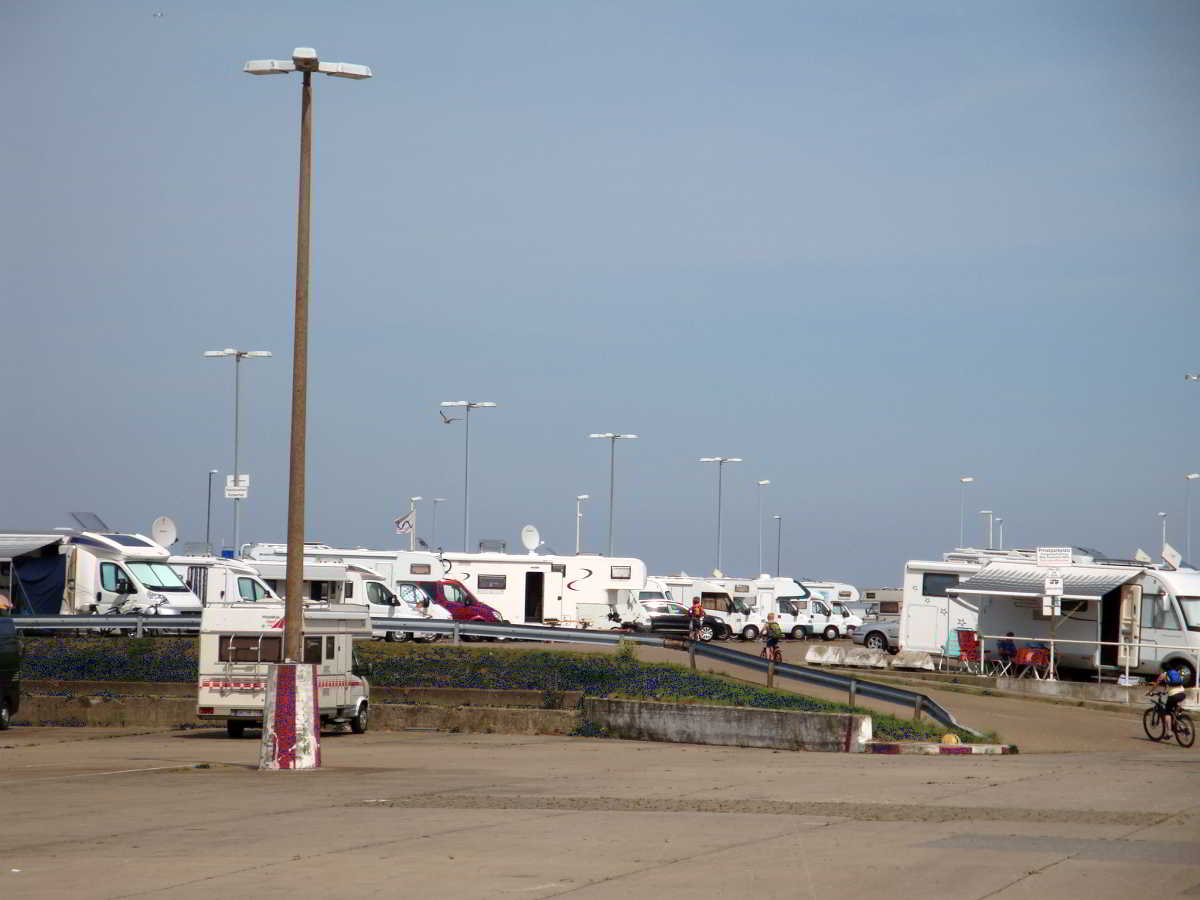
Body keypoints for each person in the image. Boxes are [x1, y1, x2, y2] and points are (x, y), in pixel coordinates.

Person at [1149, 660, 1187, 738]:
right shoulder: (1176, 672)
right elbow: (1168, 686)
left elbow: (1156, 684)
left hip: (1173, 695)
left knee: (1167, 712)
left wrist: (1149, 692)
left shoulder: (1164, 674)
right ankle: (1181, 725)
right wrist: (1165, 692)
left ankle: (1169, 732)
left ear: (1163, 669)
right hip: (1182, 693)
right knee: (1176, 711)